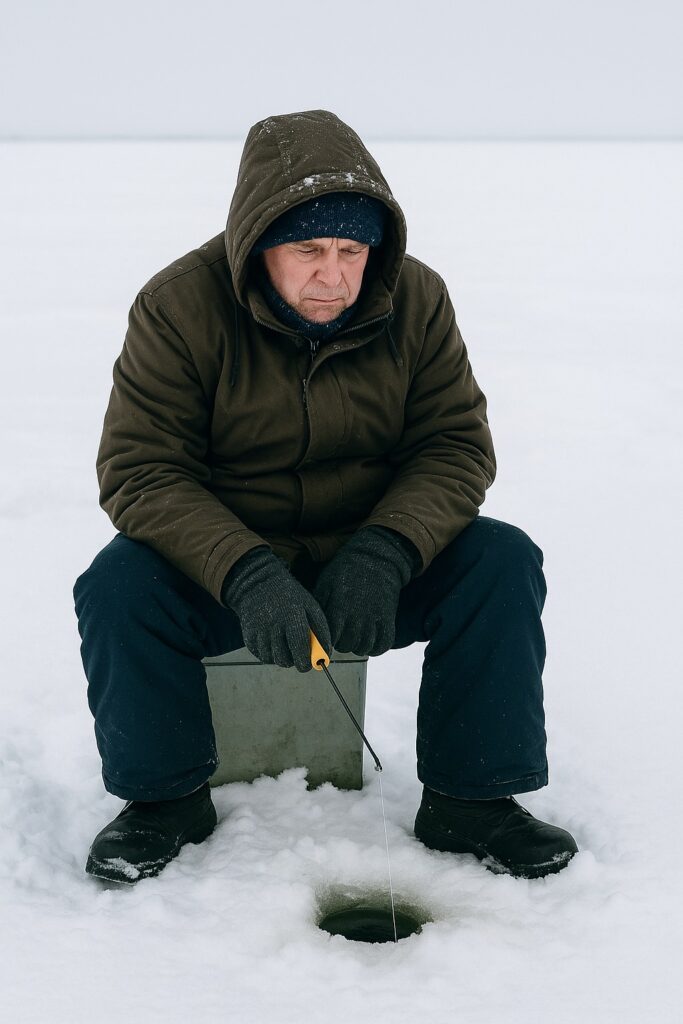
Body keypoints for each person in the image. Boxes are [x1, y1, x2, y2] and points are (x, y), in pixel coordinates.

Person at [74, 109, 578, 884]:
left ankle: (471, 801)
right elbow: (143, 469)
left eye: (351, 250)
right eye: (307, 249)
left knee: (499, 559)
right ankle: (164, 801)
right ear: (255, 244)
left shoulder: (416, 298)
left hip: (368, 553)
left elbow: (452, 444)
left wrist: (387, 549)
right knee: (118, 585)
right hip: (229, 561)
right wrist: (244, 572)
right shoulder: (179, 307)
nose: (334, 275)